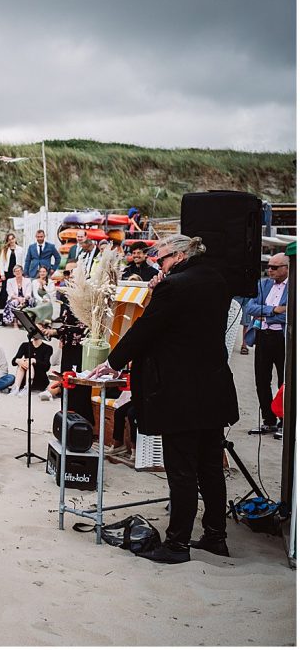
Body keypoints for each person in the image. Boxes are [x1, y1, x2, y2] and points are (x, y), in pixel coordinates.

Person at [89, 234, 238, 564]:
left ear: (181, 255)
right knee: (210, 468)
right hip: (213, 389)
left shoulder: (174, 286)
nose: (159, 264)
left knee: (182, 469)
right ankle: (216, 536)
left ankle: (177, 544)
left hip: (179, 393)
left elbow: (147, 329)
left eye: (163, 259)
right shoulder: (216, 279)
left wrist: (112, 362)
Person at [244, 253, 289, 434]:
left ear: (287, 268)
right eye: (268, 266)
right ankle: (268, 419)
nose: (269, 270)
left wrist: (266, 315)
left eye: (274, 267)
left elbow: (290, 314)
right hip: (263, 336)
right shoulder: (263, 284)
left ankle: (285, 420)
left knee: (284, 381)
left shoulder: (293, 288)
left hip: (283, 338)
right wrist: (273, 311)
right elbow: (250, 308)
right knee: (262, 380)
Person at [0, 232, 24, 309]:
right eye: (9, 239)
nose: (11, 241)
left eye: (12, 239)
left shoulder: (20, 249)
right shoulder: (5, 250)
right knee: (4, 290)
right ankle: (0, 307)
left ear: (15, 239)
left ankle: (15, 307)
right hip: (7, 272)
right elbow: (1, 262)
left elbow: (23, 261)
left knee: (16, 289)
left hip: (17, 272)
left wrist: (22, 272)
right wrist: (2, 274)